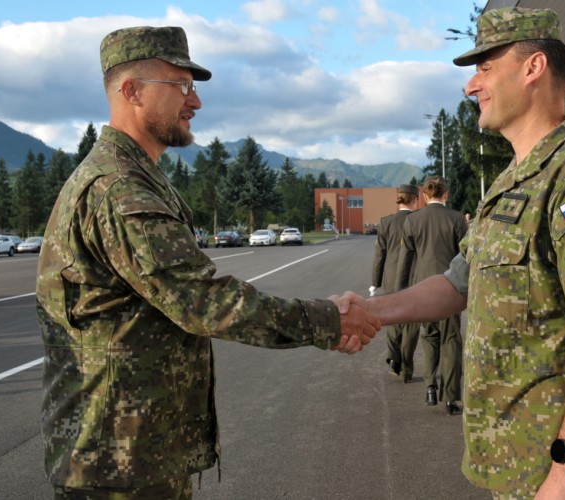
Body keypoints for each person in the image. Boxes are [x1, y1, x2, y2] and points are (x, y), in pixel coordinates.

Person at [36, 26, 379, 498]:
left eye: (193, 87)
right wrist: (326, 320)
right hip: (114, 463)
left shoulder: (139, 178)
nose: (195, 102)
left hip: (134, 451)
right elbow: (202, 301)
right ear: (131, 91)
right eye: (180, 85)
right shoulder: (119, 188)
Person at [335, 7, 565, 499]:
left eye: (484, 67)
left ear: (533, 68)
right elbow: (459, 282)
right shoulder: (509, 183)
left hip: (558, 469)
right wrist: (372, 310)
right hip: (512, 458)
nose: (470, 86)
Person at [396, 176, 467, 415]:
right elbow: (466, 258)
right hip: (450, 288)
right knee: (451, 341)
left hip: (423, 289)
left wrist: (400, 293)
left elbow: (404, 262)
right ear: (446, 194)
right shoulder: (457, 219)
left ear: (425, 196)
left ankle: (430, 387)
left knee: (429, 338)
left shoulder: (413, 221)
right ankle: (451, 397)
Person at [371, 184, 420, 382]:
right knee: (411, 324)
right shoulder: (419, 220)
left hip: (391, 277)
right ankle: (406, 369)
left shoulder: (386, 222)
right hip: (415, 276)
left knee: (392, 319)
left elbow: (379, 254)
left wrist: (375, 282)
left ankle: (394, 357)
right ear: (415, 199)